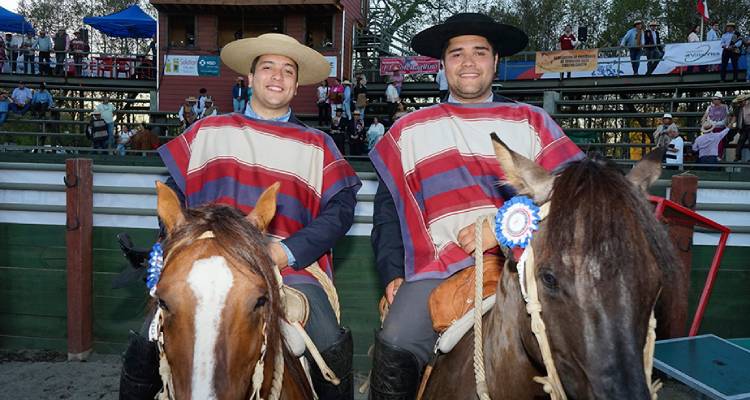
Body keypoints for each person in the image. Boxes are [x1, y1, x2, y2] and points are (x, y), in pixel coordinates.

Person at [120, 32, 360, 400]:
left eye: (287, 71)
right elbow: (175, 199)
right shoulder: (207, 132)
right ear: (250, 79)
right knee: (143, 345)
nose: (277, 77)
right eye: (268, 68)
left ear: (296, 86)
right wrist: (181, 250)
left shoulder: (318, 145)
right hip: (206, 265)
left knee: (330, 342)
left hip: (287, 265)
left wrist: (287, 252)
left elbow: (340, 213)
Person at [368, 13, 584, 399]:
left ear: (495, 61)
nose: (468, 62)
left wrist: (499, 224)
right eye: (457, 54)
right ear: (444, 64)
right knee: (396, 337)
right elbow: (388, 214)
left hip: (522, 264)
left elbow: (573, 192)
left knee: (585, 337)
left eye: (479, 52)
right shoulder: (409, 130)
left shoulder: (532, 121)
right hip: (437, 266)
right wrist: (390, 273)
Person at [731, 94, 750, 161]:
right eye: (739, 102)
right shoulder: (738, 108)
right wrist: (731, 123)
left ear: (745, 100)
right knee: (740, 142)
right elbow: (735, 117)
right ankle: (737, 157)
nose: (740, 103)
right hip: (744, 127)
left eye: (741, 102)